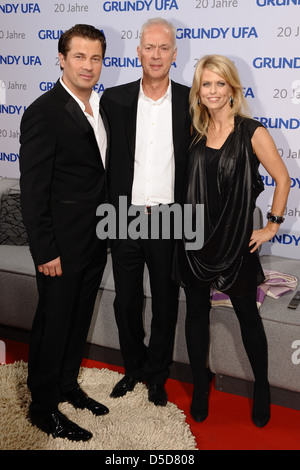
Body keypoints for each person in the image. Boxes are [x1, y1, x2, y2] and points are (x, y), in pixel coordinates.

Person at [173, 54, 290, 427]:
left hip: (235, 242)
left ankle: (262, 387)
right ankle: (202, 386)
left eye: (219, 84)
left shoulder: (251, 131)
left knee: (246, 317)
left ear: (232, 88)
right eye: (205, 84)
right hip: (193, 241)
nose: (212, 91)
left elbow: (283, 179)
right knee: (194, 314)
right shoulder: (191, 130)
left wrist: (271, 225)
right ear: (198, 90)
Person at [19, 24, 110, 441]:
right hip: (59, 246)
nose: (88, 66)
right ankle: (41, 405)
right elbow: (34, 191)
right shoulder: (43, 111)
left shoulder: (101, 108)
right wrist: (45, 251)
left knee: (77, 320)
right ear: (61, 58)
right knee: (54, 322)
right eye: (79, 57)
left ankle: (67, 386)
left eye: (95, 58)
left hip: (96, 240)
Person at [100, 18, 191, 406]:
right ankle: (133, 368)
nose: (156, 55)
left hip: (172, 216)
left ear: (174, 53)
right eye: (149, 47)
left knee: (167, 302)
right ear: (139, 51)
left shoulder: (193, 100)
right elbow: (101, 161)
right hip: (123, 213)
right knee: (127, 300)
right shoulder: (114, 99)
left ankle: (157, 374)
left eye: (164, 48)